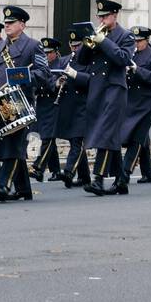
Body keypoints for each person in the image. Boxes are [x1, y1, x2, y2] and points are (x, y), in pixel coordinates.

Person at [0, 6, 48, 203]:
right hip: (0, 103)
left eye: (11, 23)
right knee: (8, 144)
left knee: (13, 143)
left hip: (21, 102)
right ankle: (24, 189)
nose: (7, 25)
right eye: (6, 23)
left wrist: (21, 76)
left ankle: (3, 184)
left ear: (22, 24)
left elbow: (44, 74)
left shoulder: (33, 46)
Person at [78, 0, 135, 196]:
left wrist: (104, 42)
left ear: (114, 15)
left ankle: (98, 179)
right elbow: (82, 61)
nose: (101, 19)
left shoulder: (126, 36)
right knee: (109, 135)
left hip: (114, 89)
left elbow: (124, 59)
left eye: (105, 16)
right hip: (97, 90)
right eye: (100, 16)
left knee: (104, 131)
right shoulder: (97, 35)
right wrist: (88, 43)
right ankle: (121, 181)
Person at [120, 27, 151, 185]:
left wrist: (137, 70)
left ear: (146, 40)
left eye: (139, 41)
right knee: (142, 137)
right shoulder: (130, 54)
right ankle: (147, 173)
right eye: (134, 41)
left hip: (146, 103)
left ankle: (125, 172)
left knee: (136, 139)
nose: (136, 44)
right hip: (130, 101)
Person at [55, 26, 92, 189]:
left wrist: (74, 74)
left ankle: (69, 171)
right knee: (75, 141)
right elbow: (52, 76)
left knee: (77, 141)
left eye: (77, 46)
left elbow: (92, 81)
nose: (74, 49)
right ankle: (84, 177)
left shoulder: (89, 60)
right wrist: (58, 82)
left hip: (83, 106)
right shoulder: (64, 60)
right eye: (72, 46)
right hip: (69, 106)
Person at [30, 37, 65, 182]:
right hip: (42, 103)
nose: (46, 56)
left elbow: (55, 82)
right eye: (44, 53)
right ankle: (56, 171)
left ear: (56, 52)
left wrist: (55, 83)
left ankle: (39, 167)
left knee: (48, 137)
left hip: (54, 103)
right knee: (47, 136)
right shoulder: (40, 66)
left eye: (49, 53)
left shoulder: (60, 64)